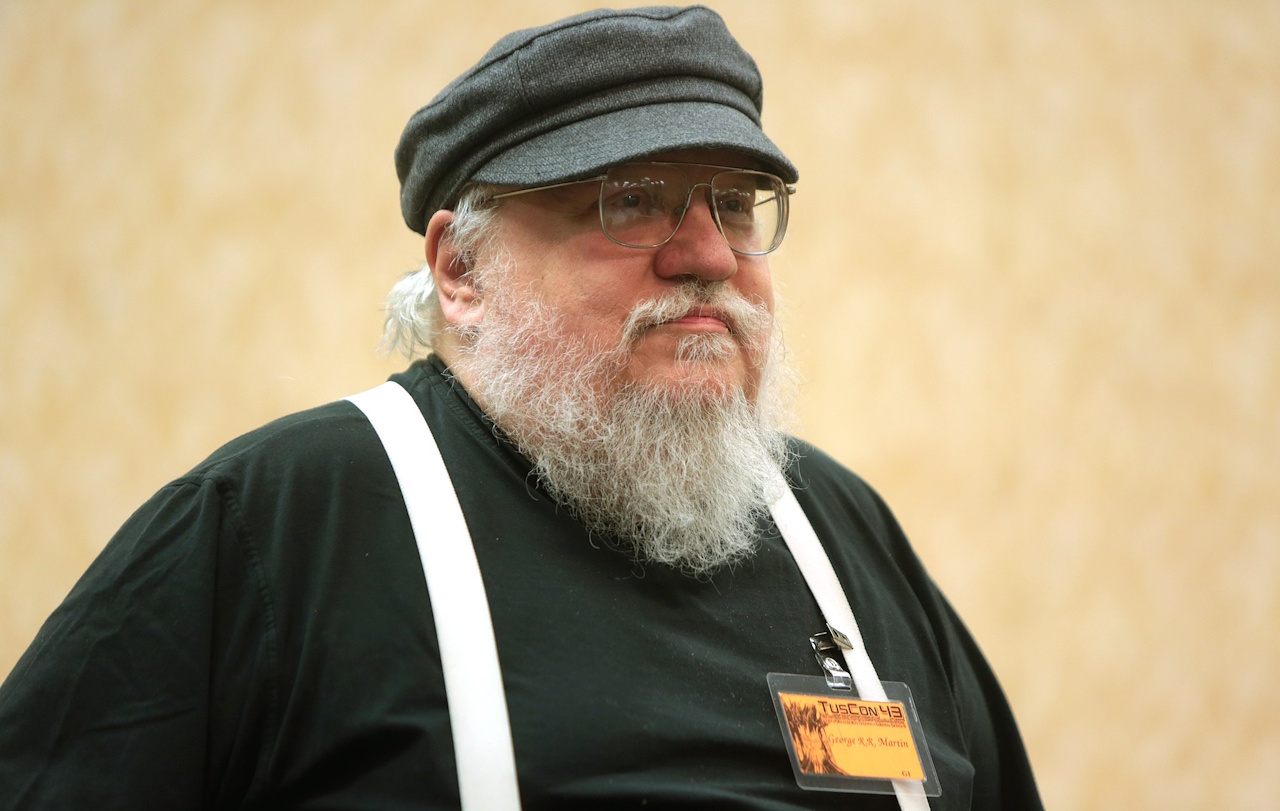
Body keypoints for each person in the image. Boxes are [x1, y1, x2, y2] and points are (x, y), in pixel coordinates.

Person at [0, 6, 1043, 810]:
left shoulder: (840, 533)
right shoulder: (279, 523)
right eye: (629, 200)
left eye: (732, 202)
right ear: (460, 269)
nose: (708, 254)